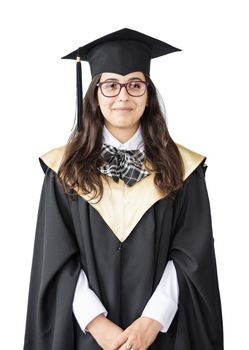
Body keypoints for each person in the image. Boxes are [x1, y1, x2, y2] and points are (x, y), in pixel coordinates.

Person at [23, 28, 224, 350]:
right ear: (95, 94)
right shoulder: (63, 169)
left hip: (164, 334)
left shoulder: (184, 168)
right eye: (111, 85)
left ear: (149, 94)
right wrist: (97, 324)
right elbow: (56, 257)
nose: (123, 96)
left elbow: (192, 255)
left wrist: (152, 320)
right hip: (84, 335)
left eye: (135, 84)